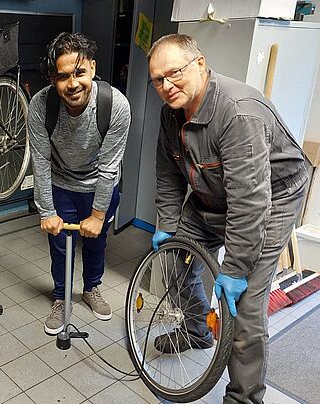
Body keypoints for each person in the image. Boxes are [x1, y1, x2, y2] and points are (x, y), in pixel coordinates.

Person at [148, 34, 308, 403]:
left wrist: (235, 269)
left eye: (174, 73)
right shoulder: (170, 112)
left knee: (246, 305)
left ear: (200, 64)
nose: (166, 86)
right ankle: (196, 331)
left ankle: (244, 397)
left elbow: (250, 203)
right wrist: (167, 223)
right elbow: (168, 172)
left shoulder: (238, 113)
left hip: (273, 197)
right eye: (158, 80)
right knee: (175, 257)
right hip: (213, 192)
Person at [27, 32, 131, 335]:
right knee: (59, 246)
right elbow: (41, 161)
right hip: (61, 183)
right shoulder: (41, 105)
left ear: (93, 69)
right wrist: (46, 211)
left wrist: (98, 216)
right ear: (52, 78)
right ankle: (60, 297)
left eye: (79, 73)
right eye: (62, 76)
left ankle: (91, 288)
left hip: (101, 182)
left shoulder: (115, 105)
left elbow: (110, 166)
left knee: (97, 242)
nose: (72, 84)